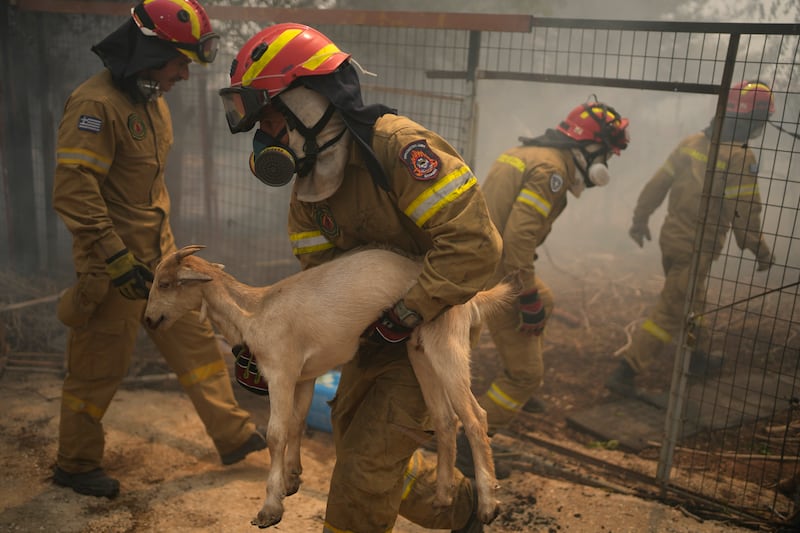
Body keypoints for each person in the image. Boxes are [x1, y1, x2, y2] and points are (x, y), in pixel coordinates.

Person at [219, 23, 502, 533]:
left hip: (433, 321)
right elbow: (322, 293)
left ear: (306, 105)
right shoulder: (308, 196)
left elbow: (475, 246)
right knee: (355, 441)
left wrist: (411, 309)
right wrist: (265, 352)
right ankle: (462, 512)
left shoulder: (398, 151)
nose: (266, 141)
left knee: (363, 468)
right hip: (374, 333)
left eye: (270, 123)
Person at [51, 0, 266, 499]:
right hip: (112, 270)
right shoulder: (94, 106)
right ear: (150, 53)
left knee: (195, 346)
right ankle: (75, 463)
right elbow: (74, 190)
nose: (184, 76)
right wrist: (114, 256)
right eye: (179, 63)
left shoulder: (151, 101)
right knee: (97, 368)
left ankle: (234, 437)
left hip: (162, 262)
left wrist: (161, 256)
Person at [455, 101, 630, 476]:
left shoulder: (528, 152)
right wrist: (527, 295)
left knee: (544, 301)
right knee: (526, 374)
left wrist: (536, 297)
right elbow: (519, 240)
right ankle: (469, 448)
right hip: (497, 274)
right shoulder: (552, 171)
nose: (606, 164)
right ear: (589, 147)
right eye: (606, 154)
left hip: (475, 263)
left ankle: (511, 395)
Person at [605, 80, 775, 397]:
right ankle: (626, 371)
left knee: (692, 300)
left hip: (672, 240)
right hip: (697, 247)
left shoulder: (692, 142)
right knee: (671, 310)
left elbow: (658, 183)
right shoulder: (740, 156)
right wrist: (759, 249)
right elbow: (744, 210)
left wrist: (640, 219)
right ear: (753, 121)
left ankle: (697, 358)